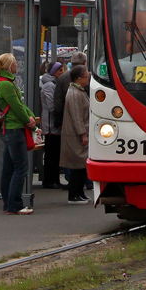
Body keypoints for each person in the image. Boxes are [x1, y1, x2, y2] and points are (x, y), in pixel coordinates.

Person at [0, 53, 37, 214]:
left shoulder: (3, 82)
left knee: (8, 169)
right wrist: (29, 121)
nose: (18, 65)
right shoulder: (7, 85)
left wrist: (29, 116)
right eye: (15, 62)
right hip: (14, 129)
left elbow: (18, 104)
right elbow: (18, 106)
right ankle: (15, 204)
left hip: (9, 129)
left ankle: (8, 204)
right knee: (20, 168)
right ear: (10, 66)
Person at [53, 52, 86, 189]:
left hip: (65, 123)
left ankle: (71, 181)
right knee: (78, 155)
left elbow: (58, 101)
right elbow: (78, 113)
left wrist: (59, 121)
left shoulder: (62, 78)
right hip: (79, 126)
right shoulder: (77, 88)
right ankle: (77, 187)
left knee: (71, 155)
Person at [60, 65, 91, 204]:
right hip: (76, 135)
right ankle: (74, 194)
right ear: (79, 79)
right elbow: (76, 116)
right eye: (86, 77)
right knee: (76, 166)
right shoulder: (74, 94)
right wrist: (83, 134)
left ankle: (80, 193)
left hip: (78, 134)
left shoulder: (78, 91)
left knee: (81, 165)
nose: (88, 79)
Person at [39, 62, 63, 189]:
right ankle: (49, 180)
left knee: (54, 154)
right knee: (51, 155)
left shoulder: (53, 84)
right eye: (60, 70)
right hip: (50, 125)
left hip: (52, 123)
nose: (62, 73)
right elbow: (50, 106)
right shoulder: (49, 85)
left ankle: (54, 179)